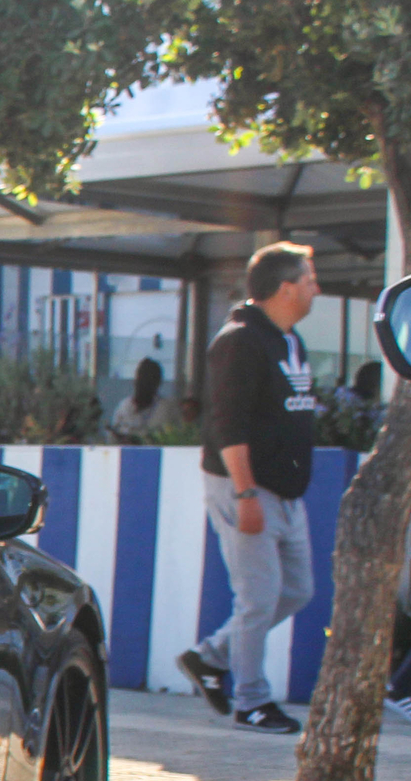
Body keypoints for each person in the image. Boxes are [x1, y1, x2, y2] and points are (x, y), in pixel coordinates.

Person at [177, 242, 322, 734]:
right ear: (285, 288)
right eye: (309, 279)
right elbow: (227, 425)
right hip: (246, 488)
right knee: (258, 598)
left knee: (298, 590)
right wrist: (245, 495)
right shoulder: (239, 340)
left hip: (285, 492)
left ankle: (210, 658)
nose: (315, 287)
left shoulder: (289, 339)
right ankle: (251, 701)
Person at [110, 357, 168, 439]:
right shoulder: (124, 406)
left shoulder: (164, 408)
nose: (143, 383)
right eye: (140, 377)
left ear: (157, 383)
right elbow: (111, 439)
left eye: (148, 380)